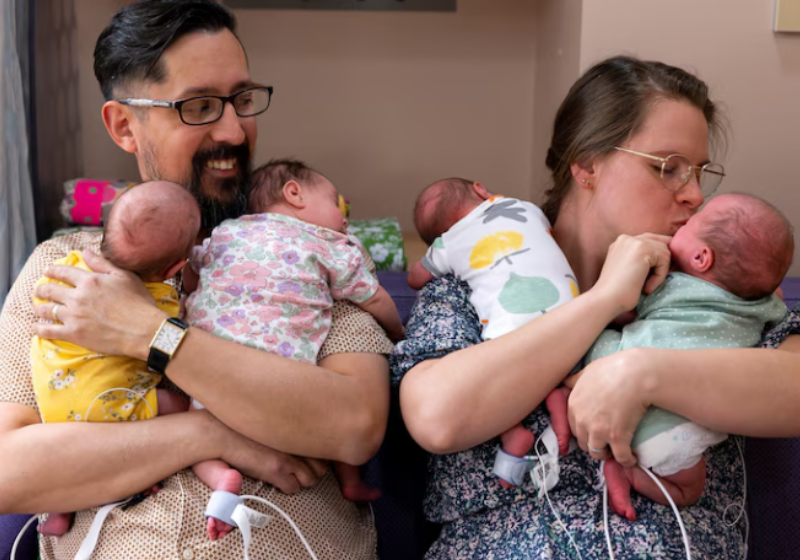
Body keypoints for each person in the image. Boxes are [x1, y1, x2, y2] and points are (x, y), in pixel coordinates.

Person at [0, 2, 392, 559]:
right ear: (124, 126)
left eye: (242, 99)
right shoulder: (62, 269)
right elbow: (9, 471)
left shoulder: (301, 252)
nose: (234, 129)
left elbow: (354, 423)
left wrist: (150, 333)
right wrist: (209, 435)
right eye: (200, 106)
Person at [391, 55, 800, 558]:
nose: (694, 195)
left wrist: (641, 373)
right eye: (668, 168)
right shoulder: (485, 267)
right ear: (585, 165)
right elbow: (437, 417)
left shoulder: (713, 283)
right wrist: (605, 300)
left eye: (699, 172)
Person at [186, 159, 403, 539]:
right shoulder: (333, 246)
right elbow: (376, 299)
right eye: (339, 205)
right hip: (283, 386)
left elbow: (192, 269)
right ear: (293, 193)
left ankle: (221, 478)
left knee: (198, 439)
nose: (345, 219)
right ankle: (350, 480)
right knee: (325, 423)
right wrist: (400, 333)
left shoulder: (226, 233)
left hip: (211, 374)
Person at [547, 193, 792, 522]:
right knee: (689, 489)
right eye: (664, 167)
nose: (694, 197)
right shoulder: (767, 306)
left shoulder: (666, 283)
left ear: (701, 257)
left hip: (621, 390)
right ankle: (633, 473)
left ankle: (567, 395)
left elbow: (624, 313)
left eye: (692, 223)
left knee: (598, 343)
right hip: (690, 431)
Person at [31, 180, 199, 536]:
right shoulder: (158, 301)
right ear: (173, 269)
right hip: (109, 407)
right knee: (180, 406)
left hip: (55, 408)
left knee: (66, 453)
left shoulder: (69, 266)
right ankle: (138, 476)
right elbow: (172, 342)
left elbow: (41, 301)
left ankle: (58, 510)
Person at [408, 177, 578, 487]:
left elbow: (416, 278)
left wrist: (434, 256)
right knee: (561, 370)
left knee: (494, 376)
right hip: (570, 310)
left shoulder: (449, 243)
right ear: (481, 190)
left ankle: (513, 431)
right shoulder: (523, 208)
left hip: (513, 329)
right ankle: (560, 403)